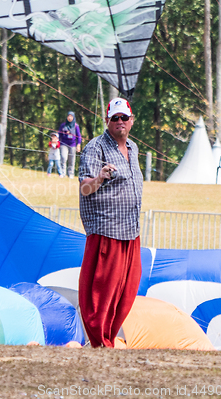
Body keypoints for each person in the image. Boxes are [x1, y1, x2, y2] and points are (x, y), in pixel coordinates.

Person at [77, 97, 143, 348]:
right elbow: (85, 188)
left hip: (130, 230)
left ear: (131, 120)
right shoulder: (96, 147)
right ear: (107, 121)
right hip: (107, 230)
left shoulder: (134, 149)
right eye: (114, 118)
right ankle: (99, 341)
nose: (119, 122)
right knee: (101, 292)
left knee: (126, 290)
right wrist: (100, 177)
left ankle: (108, 339)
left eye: (124, 117)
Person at [58, 111, 82, 179]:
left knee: (71, 160)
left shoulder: (76, 126)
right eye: (68, 116)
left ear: (73, 117)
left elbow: (79, 136)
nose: (69, 117)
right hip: (64, 143)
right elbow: (59, 134)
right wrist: (57, 142)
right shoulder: (63, 125)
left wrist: (78, 144)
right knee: (63, 157)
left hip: (72, 144)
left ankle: (71, 173)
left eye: (71, 116)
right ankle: (62, 173)